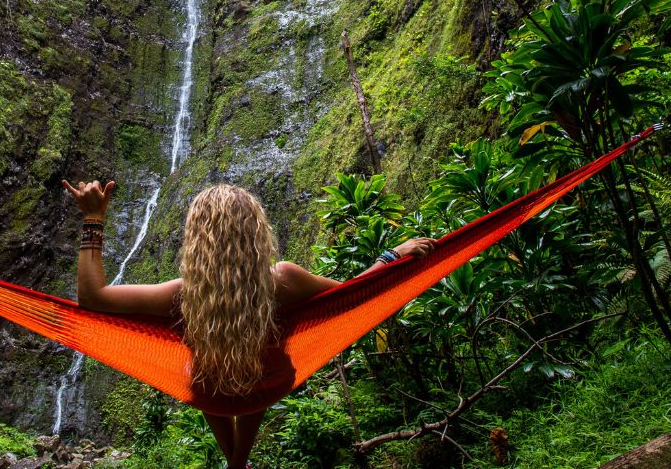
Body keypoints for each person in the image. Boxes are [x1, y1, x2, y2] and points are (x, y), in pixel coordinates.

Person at [62, 179, 436, 469]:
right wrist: (392, 255)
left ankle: (235, 461)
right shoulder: (283, 280)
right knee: (257, 359)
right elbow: (352, 293)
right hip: (268, 384)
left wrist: (93, 218)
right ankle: (239, 462)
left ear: (196, 240)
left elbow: (93, 297)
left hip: (208, 392)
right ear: (256, 231)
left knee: (206, 366)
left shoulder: (180, 295)